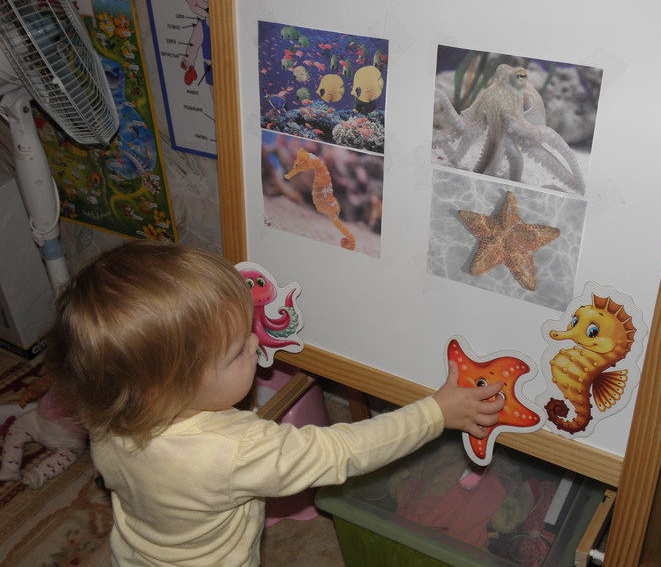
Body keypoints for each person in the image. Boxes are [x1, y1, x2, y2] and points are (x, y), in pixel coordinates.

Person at [47, 241, 505, 566]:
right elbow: (344, 451)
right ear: (168, 389)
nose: (254, 343)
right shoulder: (237, 450)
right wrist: (435, 413)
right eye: (236, 350)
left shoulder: (107, 413)